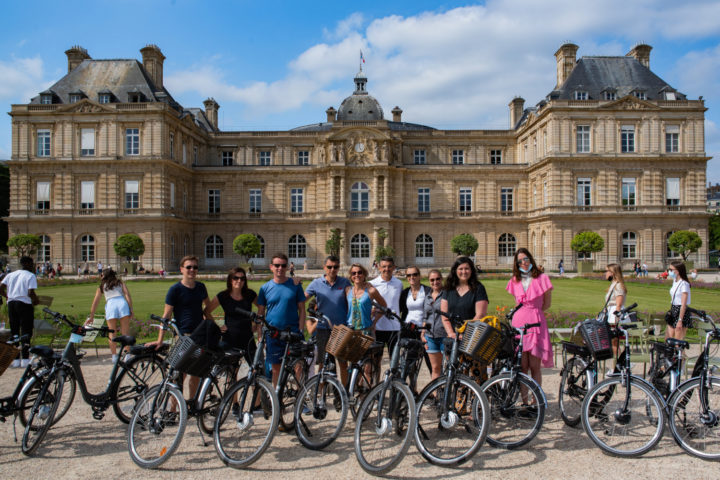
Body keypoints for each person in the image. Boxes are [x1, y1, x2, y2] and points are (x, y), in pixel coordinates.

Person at [149, 255, 213, 397]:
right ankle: (173, 410)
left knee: (194, 373)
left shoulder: (201, 287)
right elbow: (166, 316)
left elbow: (207, 309)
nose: (192, 270)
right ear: (182, 269)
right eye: (188, 267)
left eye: (195, 267)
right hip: (182, 336)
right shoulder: (175, 290)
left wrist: (214, 327)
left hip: (198, 337)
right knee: (177, 375)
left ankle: (190, 403)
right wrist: (160, 340)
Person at [506, 248, 553, 389]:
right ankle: (525, 401)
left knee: (535, 366)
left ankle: (535, 401)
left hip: (536, 322)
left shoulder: (542, 278)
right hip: (519, 322)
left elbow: (547, 304)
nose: (523, 263)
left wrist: (534, 311)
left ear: (530, 259)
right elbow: (517, 304)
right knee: (522, 366)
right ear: (517, 264)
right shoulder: (515, 280)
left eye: (525, 259)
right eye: (520, 261)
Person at [256, 253, 306, 388]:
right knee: (276, 368)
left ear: (287, 267)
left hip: (293, 332)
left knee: (298, 367)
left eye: (283, 265)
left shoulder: (295, 285)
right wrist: (260, 334)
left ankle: (299, 399)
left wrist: (301, 330)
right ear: (271, 267)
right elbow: (260, 313)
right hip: (274, 333)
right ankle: (277, 400)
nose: (280, 268)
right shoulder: (265, 288)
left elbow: (302, 309)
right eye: (277, 265)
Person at [305, 255, 352, 386]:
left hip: (340, 329)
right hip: (323, 328)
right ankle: (321, 395)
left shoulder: (344, 282)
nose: (332, 270)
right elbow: (303, 298)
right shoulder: (316, 283)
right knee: (323, 364)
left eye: (335, 267)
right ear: (324, 267)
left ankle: (344, 392)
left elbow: (352, 300)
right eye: (330, 267)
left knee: (342, 364)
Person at [207, 267, 258, 365]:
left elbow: (262, 307)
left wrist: (256, 323)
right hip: (230, 338)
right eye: (236, 278)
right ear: (230, 280)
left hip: (248, 337)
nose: (239, 281)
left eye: (242, 279)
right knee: (231, 372)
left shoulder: (250, 294)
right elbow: (206, 311)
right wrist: (217, 327)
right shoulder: (223, 296)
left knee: (256, 369)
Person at [346, 263, 386, 384]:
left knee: (367, 367)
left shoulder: (371, 290)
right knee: (353, 366)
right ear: (351, 276)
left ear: (364, 275)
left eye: (360, 272)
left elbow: (383, 306)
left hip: (366, 331)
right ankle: (355, 392)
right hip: (351, 331)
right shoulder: (348, 290)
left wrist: (374, 321)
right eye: (354, 273)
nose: (357, 275)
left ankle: (367, 395)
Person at [86, 269, 135, 362]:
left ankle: (114, 356)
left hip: (111, 305)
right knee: (125, 332)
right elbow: (127, 294)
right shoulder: (119, 282)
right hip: (122, 303)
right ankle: (127, 355)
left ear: (104, 275)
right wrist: (130, 308)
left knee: (112, 333)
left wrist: (92, 316)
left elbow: (95, 302)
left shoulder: (102, 286)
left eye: (101, 275)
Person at [1, 256, 39, 367]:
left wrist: (7, 296)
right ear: (27, 264)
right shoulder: (30, 275)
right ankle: (25, 359)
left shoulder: (11, 274)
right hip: (24, 304)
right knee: (26, 331)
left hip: (12, 303)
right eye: (31, 263)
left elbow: (0, 287)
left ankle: (16, 359)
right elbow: (30, 292)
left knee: (15, 331)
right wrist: (36, 300)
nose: (32, 266)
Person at [441, 256, 489, 338]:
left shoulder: (478, 288)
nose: (464, 271)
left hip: (472, 337)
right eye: (460, 269)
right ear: (455, 271)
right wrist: (451, 333)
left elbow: (480, 315)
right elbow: (444, 316)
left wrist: (465, 335)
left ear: (471, 270)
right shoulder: (448, 288)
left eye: (467, 268)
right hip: (452, 337)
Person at [370, 256, 403, 359]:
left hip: (394, 327)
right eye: (384, 266)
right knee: (376, 361)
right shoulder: (373, 284)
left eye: (389, 266)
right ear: (379, 268)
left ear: (394, 267)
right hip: (378, 326)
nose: (386, 269)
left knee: (394, 360)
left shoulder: (399, 284)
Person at [422, 269, 446, 383]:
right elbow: (425, 317)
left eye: (437, 279)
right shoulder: (427, 297)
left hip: (445, 335)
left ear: (441, 279)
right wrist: (423, 334)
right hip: (430, 336)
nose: (435, 282)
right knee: (435, 368)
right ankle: (436, 395)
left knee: (448, 368)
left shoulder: (447, 294)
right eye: (432, 280)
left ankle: (448, 395)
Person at [603, 263, 626, 360]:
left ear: (612, 273)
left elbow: (618, 304)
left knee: (614, 341)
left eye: (607, 271)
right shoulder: (614, 284)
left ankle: (617, 364)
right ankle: (617, 364)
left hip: (614, 315)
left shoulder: (618, 285)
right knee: (613, 342)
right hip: (611, 313)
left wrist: (616, 318)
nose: (605, 273)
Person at [666, 261, 692, 340]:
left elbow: (683, 304)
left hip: (681, 311)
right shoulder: (675, 281)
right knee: (668, 338)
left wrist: (680, 320)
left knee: (678, 341)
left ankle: (680, 352)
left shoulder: (684, 284)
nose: (669, 271)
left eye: (671, 269)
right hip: (673, 309)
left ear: (678, 270)